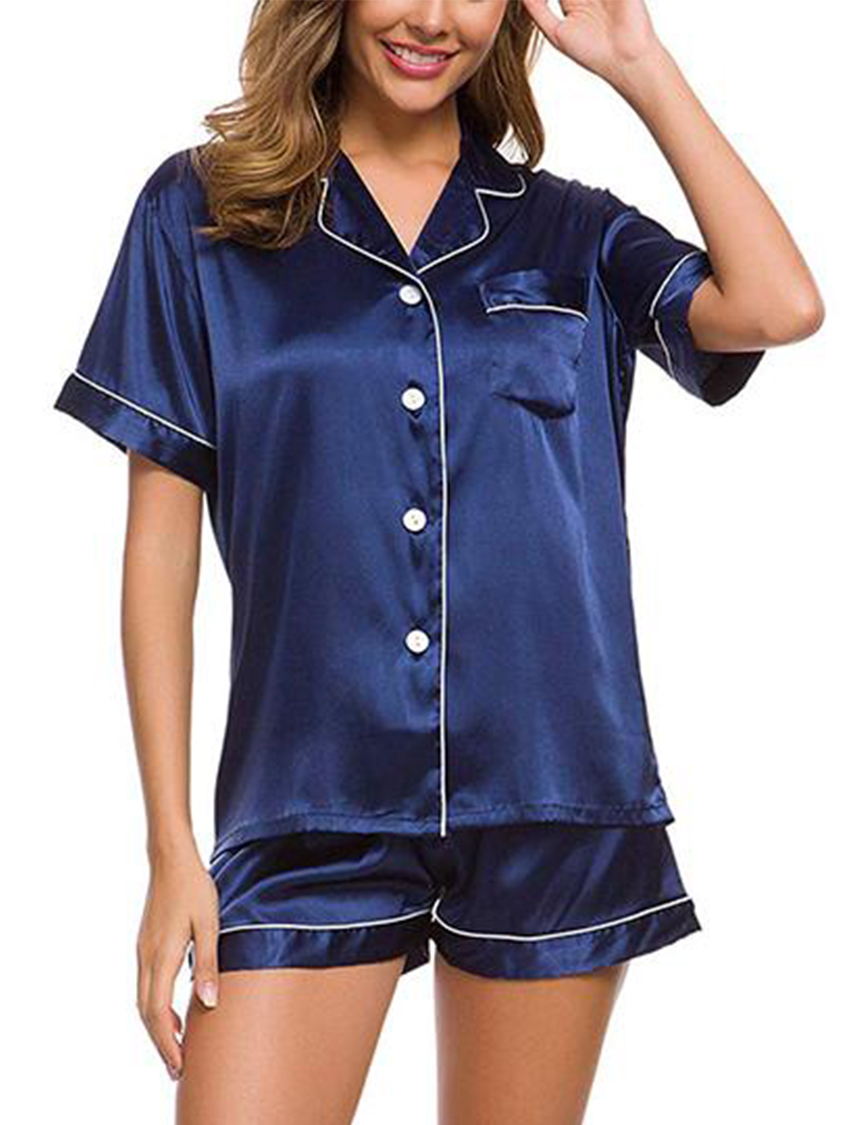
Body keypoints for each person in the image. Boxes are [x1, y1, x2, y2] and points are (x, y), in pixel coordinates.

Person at [52, 1, 824, 1121]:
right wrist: (172, 845)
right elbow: (159, 543)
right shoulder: (204, 213)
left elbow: (779, 304)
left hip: (549, 792)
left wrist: (639, 65)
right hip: (308, 800)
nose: (429, 17)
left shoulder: (571, 232)